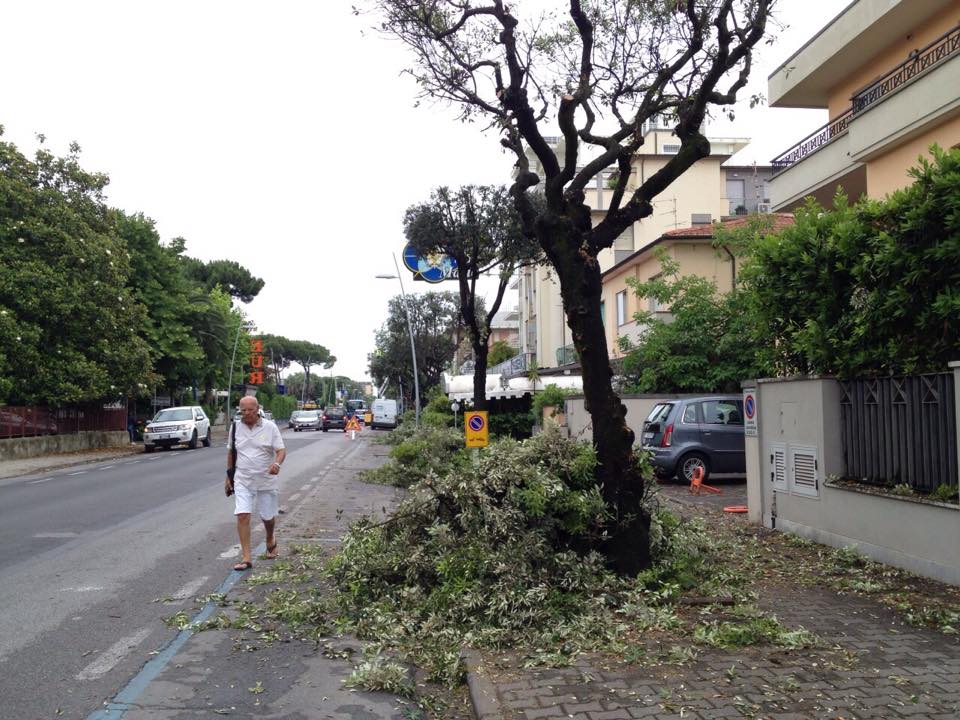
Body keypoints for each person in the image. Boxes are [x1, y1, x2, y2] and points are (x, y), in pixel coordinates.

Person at [225, 396, 286, 571]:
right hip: (242, 479)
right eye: (243, 410)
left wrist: (277, 464)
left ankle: (270, 538)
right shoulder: (235, 427)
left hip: (265, 480)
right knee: (242, 515)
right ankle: (246, 557)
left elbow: (281, 450)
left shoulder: (270, 427)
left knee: (267, 517)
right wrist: (228, 477)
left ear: (257, 409)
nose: (246, 414)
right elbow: (231, 453)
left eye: (250, 410)